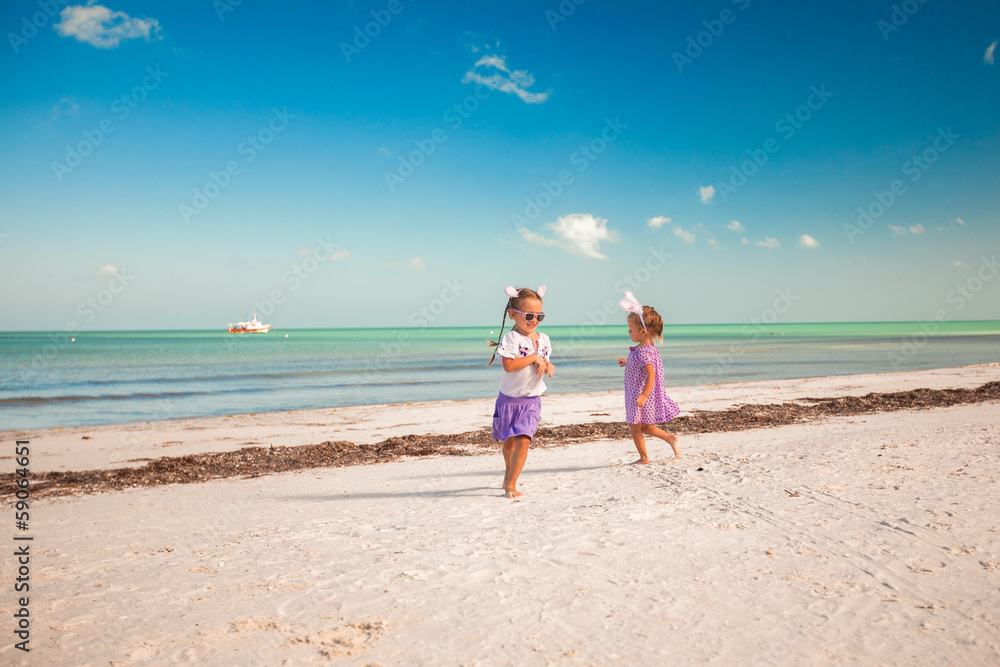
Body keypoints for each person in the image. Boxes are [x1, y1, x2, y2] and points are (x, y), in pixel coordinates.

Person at [487, 285, 555, 498]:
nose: (534, 320)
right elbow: (509, 365)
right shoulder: (511, 339)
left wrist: (548, 365)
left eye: (539, 316)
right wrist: (534, 358)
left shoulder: (544, 339)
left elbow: (546, 360)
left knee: (523, 442)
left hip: (532, 400)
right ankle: (509, 472)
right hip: (509, 400)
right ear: (513, 314)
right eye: (529, 315)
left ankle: (511, 484)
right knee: (509, 446)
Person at [616, 291, 681, 464]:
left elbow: (651, 374)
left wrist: (644, 396)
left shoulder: (644, 352)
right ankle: (669, 438)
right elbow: (641, 365)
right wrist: (627, 361)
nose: (628, 332)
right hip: (638, 393)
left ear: (643, 331)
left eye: (631, 330)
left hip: (639, 394)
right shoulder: (646, 349)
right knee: (643, 426)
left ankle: (644, 458)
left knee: (635, 427)